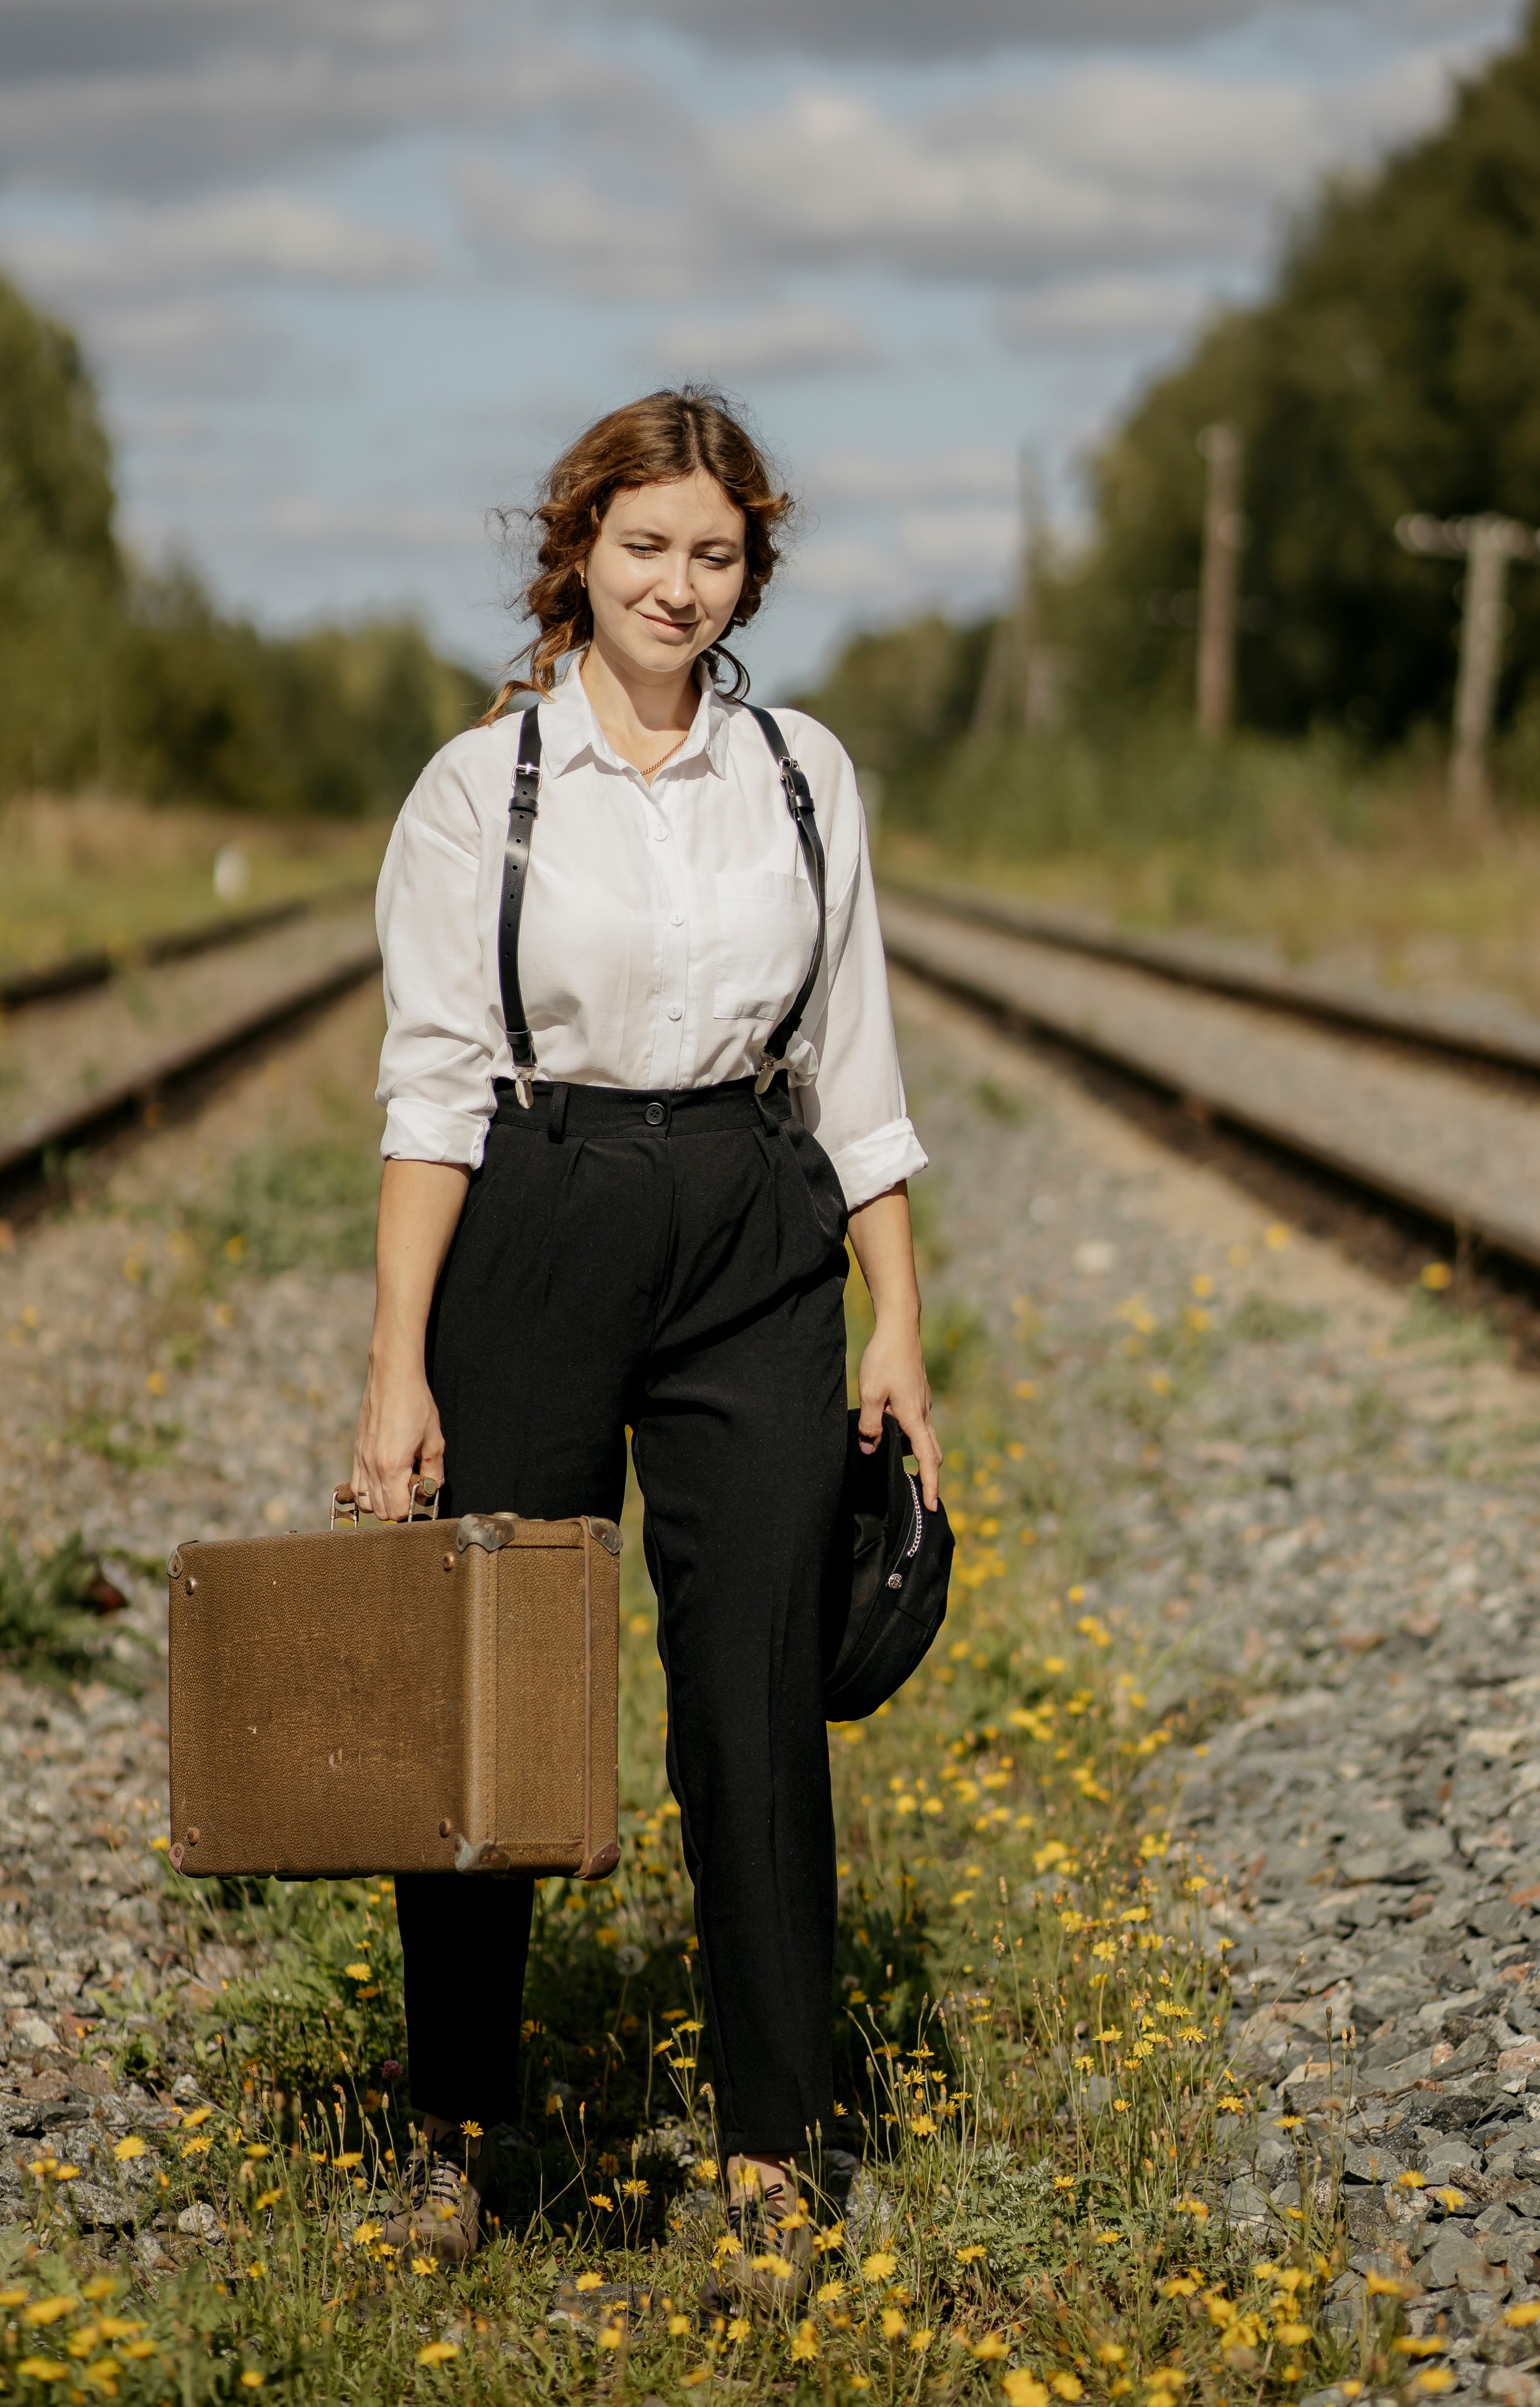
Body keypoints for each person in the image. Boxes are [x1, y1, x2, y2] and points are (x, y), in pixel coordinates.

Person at [349, 387, 939, 2302]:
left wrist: (901, 1323)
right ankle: (458, 2133)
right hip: (540, 1213)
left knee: (755, 1686)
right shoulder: (481, 786)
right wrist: (396, 1365)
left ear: (751, 567)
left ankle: (771, 2151)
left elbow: (853, 1060)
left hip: (755, 1232)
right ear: (578, 550)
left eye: (715, 555)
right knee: (494, 1680)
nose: (678, 588)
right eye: (644, 548)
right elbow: (433, 1090)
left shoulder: (803, 776)